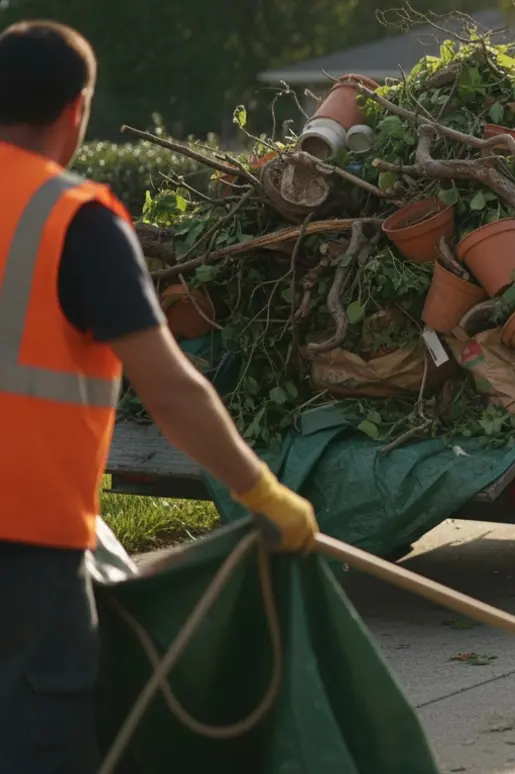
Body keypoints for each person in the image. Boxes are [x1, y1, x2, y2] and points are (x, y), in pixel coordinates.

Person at [0, 20, 319, 774]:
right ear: (76, 112)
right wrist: (260, 490)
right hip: (26, 547)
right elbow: (170, 387)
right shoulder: (72, 219)